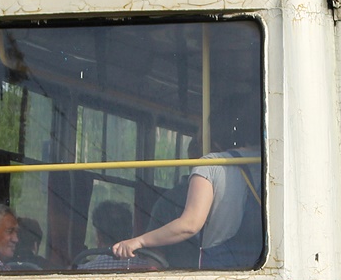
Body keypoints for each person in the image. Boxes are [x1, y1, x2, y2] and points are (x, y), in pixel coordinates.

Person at [112, 114, 262, 269]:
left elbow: (190, 224)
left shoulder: (211, 165)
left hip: (220, 272)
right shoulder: (274, 162)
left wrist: (139, 241)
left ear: (210, 141)